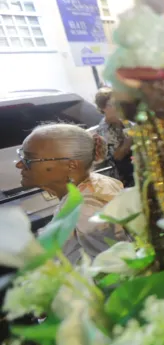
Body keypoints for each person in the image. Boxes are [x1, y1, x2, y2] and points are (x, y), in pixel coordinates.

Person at [15, 123, 128, 264]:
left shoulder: (85, 211)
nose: (19, 164)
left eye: (28, 159)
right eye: (21, 154)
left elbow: (115, 273)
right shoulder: (97, 182)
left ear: (71, 165)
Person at [94, 87, 134, 187]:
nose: (117, 107)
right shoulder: (104, 129)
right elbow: (117, 156)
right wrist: (130, 138)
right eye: (111, 104)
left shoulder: (125, 121)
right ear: (103, 108)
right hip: (123, 177)